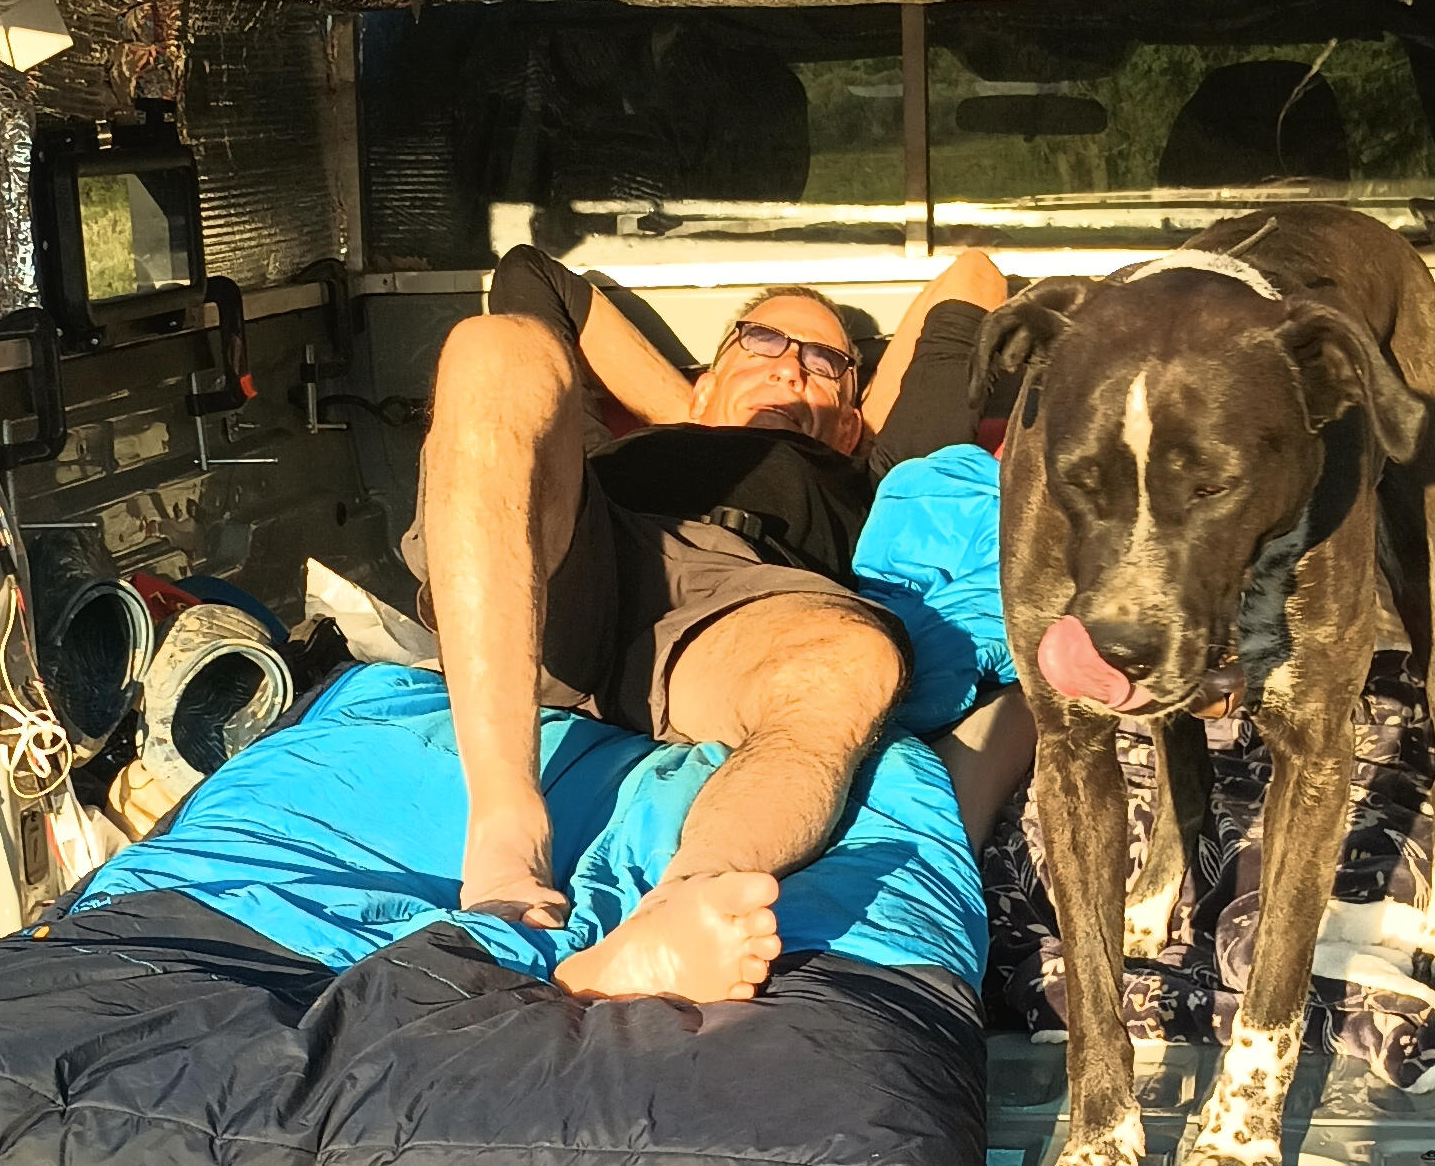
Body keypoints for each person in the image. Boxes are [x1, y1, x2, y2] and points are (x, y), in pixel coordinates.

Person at [411, 241, 1016, 1003]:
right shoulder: (634, 443)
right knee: (495, 345)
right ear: (703, 382)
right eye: (761, 342)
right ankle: (505, 834)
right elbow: (534, 276)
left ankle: (680, 911)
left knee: (851, 657)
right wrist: (703, 418)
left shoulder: (870, 468)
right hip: (581, 555)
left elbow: (972, 277)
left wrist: (822, 413)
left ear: (855, 420)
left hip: (743, 613)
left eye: (825, 362)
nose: (791, 367)